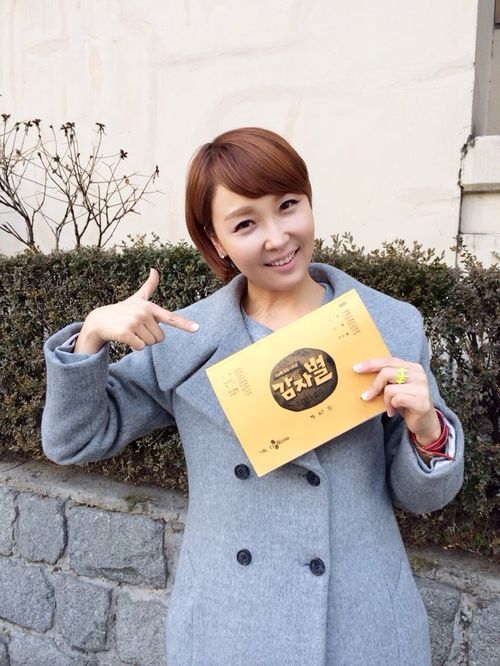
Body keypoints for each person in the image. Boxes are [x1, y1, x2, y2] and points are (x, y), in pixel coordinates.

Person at [42, 127, 464, 666]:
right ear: (215, 240)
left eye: (288, 206)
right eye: (245, 223)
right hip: (231, 625)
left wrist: (427, 430)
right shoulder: (183, 340)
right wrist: (90, 338)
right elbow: (73, 441)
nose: (277, 237)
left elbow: (423, 498)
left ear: (309, 202)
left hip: (362, 622)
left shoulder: (389, 326)